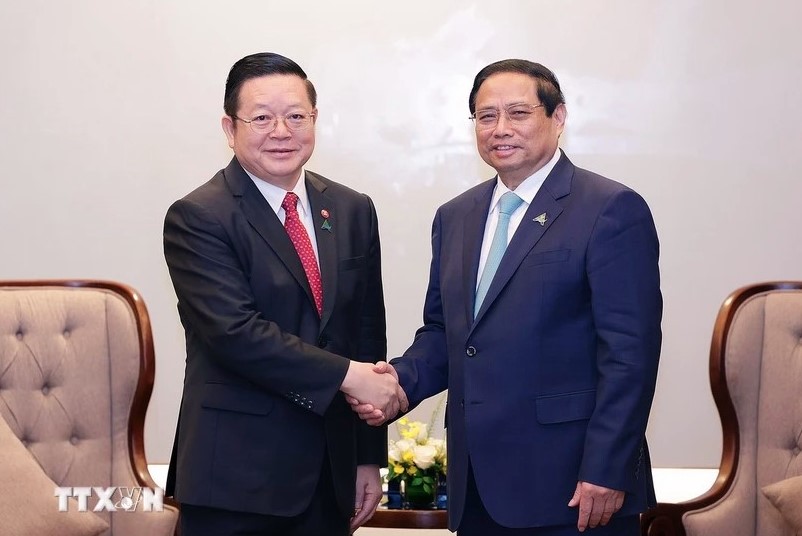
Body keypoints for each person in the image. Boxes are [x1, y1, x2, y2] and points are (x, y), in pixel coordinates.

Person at [351, 59, 662, 535]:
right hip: (477, 485)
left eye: (518, 113)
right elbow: (446, 333)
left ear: (558, 117)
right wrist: (398, 384)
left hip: (575, 487)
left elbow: (630, 354)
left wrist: (608, 467)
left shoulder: (609, 208)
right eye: (486, 115)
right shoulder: (455, 216)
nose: (500, 128)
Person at [163, 52, 406, 536]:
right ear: (230, 128)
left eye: (296, 116)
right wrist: (349, 376)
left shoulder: (352, 209)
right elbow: (237, 334)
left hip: (330, 475)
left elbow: (365, 333)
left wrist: (366, 457)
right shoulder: (199, 216)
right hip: (235, 480)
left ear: (314, 120)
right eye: (261, 118)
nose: (281, 131)